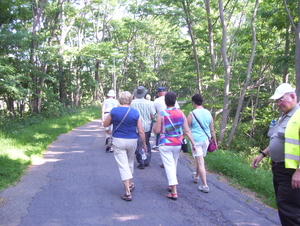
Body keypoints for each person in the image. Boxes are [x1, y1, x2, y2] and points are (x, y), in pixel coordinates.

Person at [251, 83, 300, 226]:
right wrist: (262, 154)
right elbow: (278, 139)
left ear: (292, 96)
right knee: (284, 207)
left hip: (291, 172)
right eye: (277, 101)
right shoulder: (285, 117)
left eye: (281, 100)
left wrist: (299, 171)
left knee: (290, 210)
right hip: (279, 170)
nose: (278, 104)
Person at [103, 91, 148, 202]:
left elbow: (106, 124)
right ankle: (131, 183)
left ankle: (127, 192)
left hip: (118, 140)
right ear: (130, 100)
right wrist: (144, 144)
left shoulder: (114, 111)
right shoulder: (135, 112)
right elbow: (141, 131)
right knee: (130, 162)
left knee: (123, 165)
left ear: (119, 100)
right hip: (132, 140)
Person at [153, 92, 196, 200]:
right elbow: (186, 130)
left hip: (165, 143)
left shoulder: (162, 113)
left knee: (169, 167)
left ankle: (174, 192)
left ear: (165, 102)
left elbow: (157, 130)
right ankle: (170, 185)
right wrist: (193, 143)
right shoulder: (181, 113)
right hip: (177, 143)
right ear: (175, 101)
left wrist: (155, 126)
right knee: (173, 164)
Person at [187, 94, 218, 193]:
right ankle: (196, 176)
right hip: (206, 140)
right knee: (199, 159)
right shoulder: (208, 113)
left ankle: (205, 185)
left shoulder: (192, 113)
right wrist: (215, 141)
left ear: (194, 103)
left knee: (200, 162)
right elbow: (212, 129)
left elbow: (186, 128)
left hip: (196, 141)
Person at [153, 87, 180, 168]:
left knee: (164, 143)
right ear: (165, 92)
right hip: (173, 123)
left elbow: (153, 113)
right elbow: (178, 109)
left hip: (162, 123)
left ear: (158, 93)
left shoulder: (156, 101)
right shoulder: (172, 99)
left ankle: (165, 161)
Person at [130, 86, 156, 169]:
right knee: (146, 142)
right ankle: (146, 160)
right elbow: (152, 116)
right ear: (144, 94)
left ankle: (140, 160)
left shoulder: (132, 103)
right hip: (147, 126)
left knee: (138, 143)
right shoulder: (150, 103)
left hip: (135, 126)